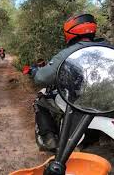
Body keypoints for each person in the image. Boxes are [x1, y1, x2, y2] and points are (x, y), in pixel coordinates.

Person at [33, 13, 104, 151]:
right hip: (107, 104)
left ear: (69, 32)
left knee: (40, 99)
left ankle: (50, 141)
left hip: (79, 101)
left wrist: (35, 71)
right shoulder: (107, 47)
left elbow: (41, 78)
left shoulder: (69, 52)